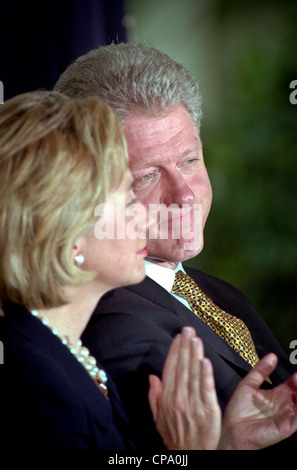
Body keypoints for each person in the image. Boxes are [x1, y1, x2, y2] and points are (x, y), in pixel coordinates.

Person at [54, 42, 297, 450]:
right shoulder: (115, 329)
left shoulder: (212, 291)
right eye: (147, 176)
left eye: (189, 160)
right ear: (86, 190)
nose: (184, 195)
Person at [0, 90, 222, 450]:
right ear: (66, 236)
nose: (144, 215)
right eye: (128, 200)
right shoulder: (33, 388)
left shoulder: (58, 351)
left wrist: (229, 444)